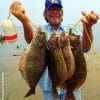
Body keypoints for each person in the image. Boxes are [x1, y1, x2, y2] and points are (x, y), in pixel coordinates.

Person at [10, 0, 99, 100]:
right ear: (45, 14)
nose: (55, 12)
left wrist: (88, 27)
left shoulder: (71, 29)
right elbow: (31, 41)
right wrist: (24, 21)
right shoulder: (41, 31)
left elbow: (86, 48)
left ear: (62, 13)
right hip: (50, 87)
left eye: (58, 9)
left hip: (72, 85)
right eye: (51, 9)